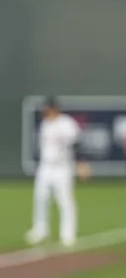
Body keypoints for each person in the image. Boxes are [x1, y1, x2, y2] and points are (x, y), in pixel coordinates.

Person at [25, 97, 87, 247]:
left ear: (55, 108)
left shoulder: (66, 123)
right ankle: (40, 230)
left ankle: (68, 235)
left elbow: (76, 142)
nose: (45, 111)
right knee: (41, 198)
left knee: (65, 200)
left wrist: (80, 162)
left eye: (47, 108)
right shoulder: (45, 124)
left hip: (62, 167)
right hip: (45, 167)